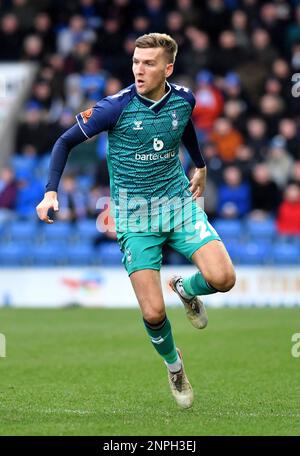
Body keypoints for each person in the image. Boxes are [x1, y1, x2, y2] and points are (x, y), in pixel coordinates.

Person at [36, 33, 236, 409]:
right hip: (134, 215)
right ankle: (175, 367)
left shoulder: (184, 99)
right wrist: (50, 192)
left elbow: (184, 125)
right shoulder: (116, 107)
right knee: (153, 312)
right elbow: (63, 141)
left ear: (168, 68)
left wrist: (201, 165)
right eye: (135, 62)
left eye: (148, 63)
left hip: (178, 203)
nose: (139, 70)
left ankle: (186, 288)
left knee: (224, 278)